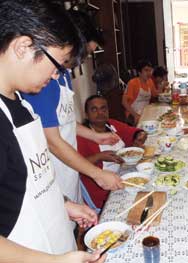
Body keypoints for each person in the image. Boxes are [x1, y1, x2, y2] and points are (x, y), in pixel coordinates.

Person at [0, 1, 104, 262]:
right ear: (22, 47)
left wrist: (64, 205)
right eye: (57, 64)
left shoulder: (21, 105)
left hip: (57, 243)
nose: (59, 76)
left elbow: (24, 185)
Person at [22, 9, 124, 207]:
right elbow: (52, 141)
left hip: (71, 166)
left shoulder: (64, 75)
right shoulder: (45, 81)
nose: (82, 60)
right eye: (83, 53)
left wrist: (95, 136)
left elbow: (64, 120)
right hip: (54, 170)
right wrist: (97, 174)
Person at [77, 95, 147, 212]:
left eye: (103, 108)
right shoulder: (81, 137)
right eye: (94, 109)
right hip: (103, 189)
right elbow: (76, 165)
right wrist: (99, 156)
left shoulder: (111, 125)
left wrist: (140, 136)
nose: (100, 113)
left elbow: (132, 131)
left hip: (124, 175)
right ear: (86, 114)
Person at [122, 59, 158, 125]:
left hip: (146, 112)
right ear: (139, 72)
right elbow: (124, 102)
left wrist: (161, 86)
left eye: (150, 70)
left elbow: (155, 94)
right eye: (146, 70)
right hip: (132, 114)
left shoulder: (150, 81)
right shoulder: (132, 83)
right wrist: (135, 115)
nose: (149, 73)